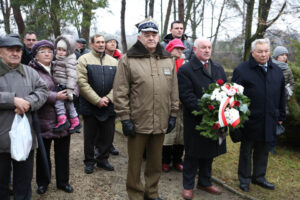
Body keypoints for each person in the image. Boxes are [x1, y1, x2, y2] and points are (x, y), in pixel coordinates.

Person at [113, 17, 179, 200]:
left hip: (161, 119)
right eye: (147, 34)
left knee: (155, 162)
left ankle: (152, 192)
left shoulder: (168, 59)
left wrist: (173, 114)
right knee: (135, 164)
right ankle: (135, 194)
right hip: (137, 120)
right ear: (140, 37)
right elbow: (120, 91)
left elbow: (174, 89)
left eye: (154, 34)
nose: (151, 38)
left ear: (158, 37)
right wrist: (125, 118)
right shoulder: (128, 60)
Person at [231, 38, 286, 192]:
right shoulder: (242, 70)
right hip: (249, 119)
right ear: (253, 52)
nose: (263, 54)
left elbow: (282, 95)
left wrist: (281, 116)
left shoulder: (277, 71)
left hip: (270, 118)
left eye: (266, 51)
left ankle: (259, 177)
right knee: (247, 151)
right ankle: (245, 179)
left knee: (263, 150)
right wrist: (236, 119)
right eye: (260, 51)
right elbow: (234, 97)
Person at [178, 38, 227, 199]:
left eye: (209, 47)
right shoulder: (186, 70)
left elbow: (226, 91)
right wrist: (207, 110)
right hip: (196, 119)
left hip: (216, 119)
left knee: (210, 152)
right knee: (193, 154)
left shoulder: (218, 68)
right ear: (195, 49)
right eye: (203, 47)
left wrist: (221, 110)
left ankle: (205, 182)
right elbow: (186, 96)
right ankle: (188, 185)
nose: (207, 50)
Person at [0, 36, 48, 200]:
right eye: (10, 50)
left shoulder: (30, 72)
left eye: (18, 50)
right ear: (0, 52)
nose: (15, 53)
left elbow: (43, 90)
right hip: (1, 140)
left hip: (25, 138)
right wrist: (12, 100)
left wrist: (29, 102)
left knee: (23, 182)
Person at [28, 40, 76, 195]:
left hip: (63, 119)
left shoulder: (59, 65)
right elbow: (33, 91)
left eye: (49, 50)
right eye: (42, 51)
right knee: (43, 153)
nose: (47, 53)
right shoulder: (31, 70)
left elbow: (74, 81)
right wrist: (55, 96)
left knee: (63, 153)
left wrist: (72, 93)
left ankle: (63, 182)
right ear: (36, 55)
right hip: (43, 118)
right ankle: (43, 182)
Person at [77, 34, 118, 174]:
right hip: (90, 106)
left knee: (107, 135)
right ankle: (89, 161)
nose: (101, 44)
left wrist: (107, 98)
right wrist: (97, 100)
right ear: (92, 44)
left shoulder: (114, 62)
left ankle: (103, 160)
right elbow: (82, 83)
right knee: (90, 137)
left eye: (103, 42)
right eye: (98, 42)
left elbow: (119, 84)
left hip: (109, 105)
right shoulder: (83, 59)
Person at [162, 38, 185, 172]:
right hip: (168, 103)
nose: (180, 51)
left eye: (181, 49)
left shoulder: (185, 63)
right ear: (170, 49)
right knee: (168, 134)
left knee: (181, 134)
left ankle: (177, 159)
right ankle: (165, 160)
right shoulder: (164, 62)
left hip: (183, 103)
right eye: (177, 48)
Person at [52, 35, 81, 134]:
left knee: (58, 102)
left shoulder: (69, 60)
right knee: (69, 104)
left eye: (63, 50)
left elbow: (72, 76)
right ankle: (75, 121)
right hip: (62, 84)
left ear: (68, 51)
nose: (60, 52)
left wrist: (70, 89)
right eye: (58, 49)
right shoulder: (59, 59)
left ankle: (62, 119)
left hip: (64, 85)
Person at [269, 46, 294, 154]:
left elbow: (292, 84)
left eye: (285, 55)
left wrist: (288, 90)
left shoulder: (287, 69)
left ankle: (271, 147)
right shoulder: (270, 66)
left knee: (276, 123)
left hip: (280, 100)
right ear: (276, 56)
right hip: (269, 98)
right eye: (282, 55)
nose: (284, 57)